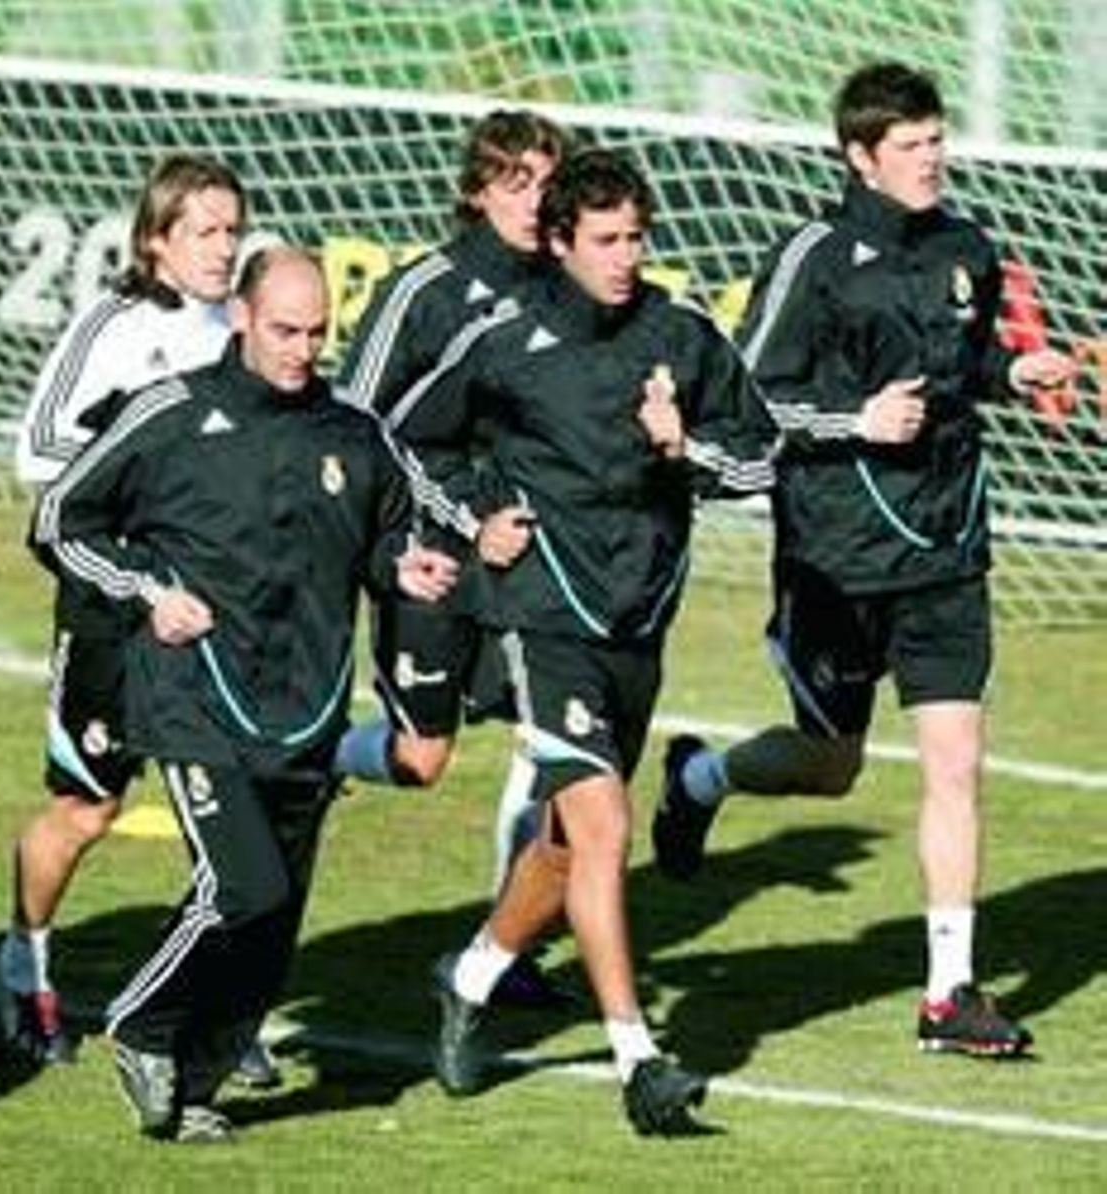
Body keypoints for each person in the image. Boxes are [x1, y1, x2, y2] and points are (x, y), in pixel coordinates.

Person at [649, 61, 1076, 1059]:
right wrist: (856, 420)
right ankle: (700, 779)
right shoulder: (814, 254)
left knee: (956, 764)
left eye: (937, 142)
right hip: (835, 551)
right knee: (829, 765)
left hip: (947, 546)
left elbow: (962, 367)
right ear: (859, 156)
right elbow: (747, 400)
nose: (931, 162)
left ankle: (948, 994)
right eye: (910, 148)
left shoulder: (968, 245)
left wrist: (1013, 369)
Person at [34, 246, 458, 1143]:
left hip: (305, 703)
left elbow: (381, 538)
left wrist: (402, 568)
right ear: (241, 318)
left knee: (272, 930)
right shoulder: (170, 411)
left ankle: (189, 1087)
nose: (302, 350)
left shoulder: (353, 430)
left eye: (316, 333)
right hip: (190, 697)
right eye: (284, 331)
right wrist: (148, 592)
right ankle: (139, 1025)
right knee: (244, 886)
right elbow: (61, 522)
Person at [407, 148, 778, 1135]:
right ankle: (638, 1061)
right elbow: (410, 435)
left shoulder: (682, 336)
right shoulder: (502, 335)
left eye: (637, 237)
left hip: (640, 614)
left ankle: (473, 972)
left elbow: (759, 458)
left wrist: (680, 444)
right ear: (559, 242)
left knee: (570, 844)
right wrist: (476, 514)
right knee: (606, 825)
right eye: (605, 240)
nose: (626, 256)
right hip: (538, 610)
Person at [0, 155, 279, 1086]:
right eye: (204, 230)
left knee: (233, 816)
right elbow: (38, 452)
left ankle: (220, 1013)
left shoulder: (243, 333)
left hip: (213, 618)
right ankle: (23, 961)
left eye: (233, 229)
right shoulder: (112, 331)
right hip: (116, 607)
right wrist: (141, 468)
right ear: (155, 238)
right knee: (88, 807)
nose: (223, 246)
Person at [332, 109, 575, 1005]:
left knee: (550, 740)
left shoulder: (567, 286)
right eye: (515, 181)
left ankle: (500, 946)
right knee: (421, 758)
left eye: (547, 182)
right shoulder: (423, 290)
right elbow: (356, 426)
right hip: (429, 550)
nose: (533, 201)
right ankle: (319, 757)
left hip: (525, 555)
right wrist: (395, 542)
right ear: (476, 190)